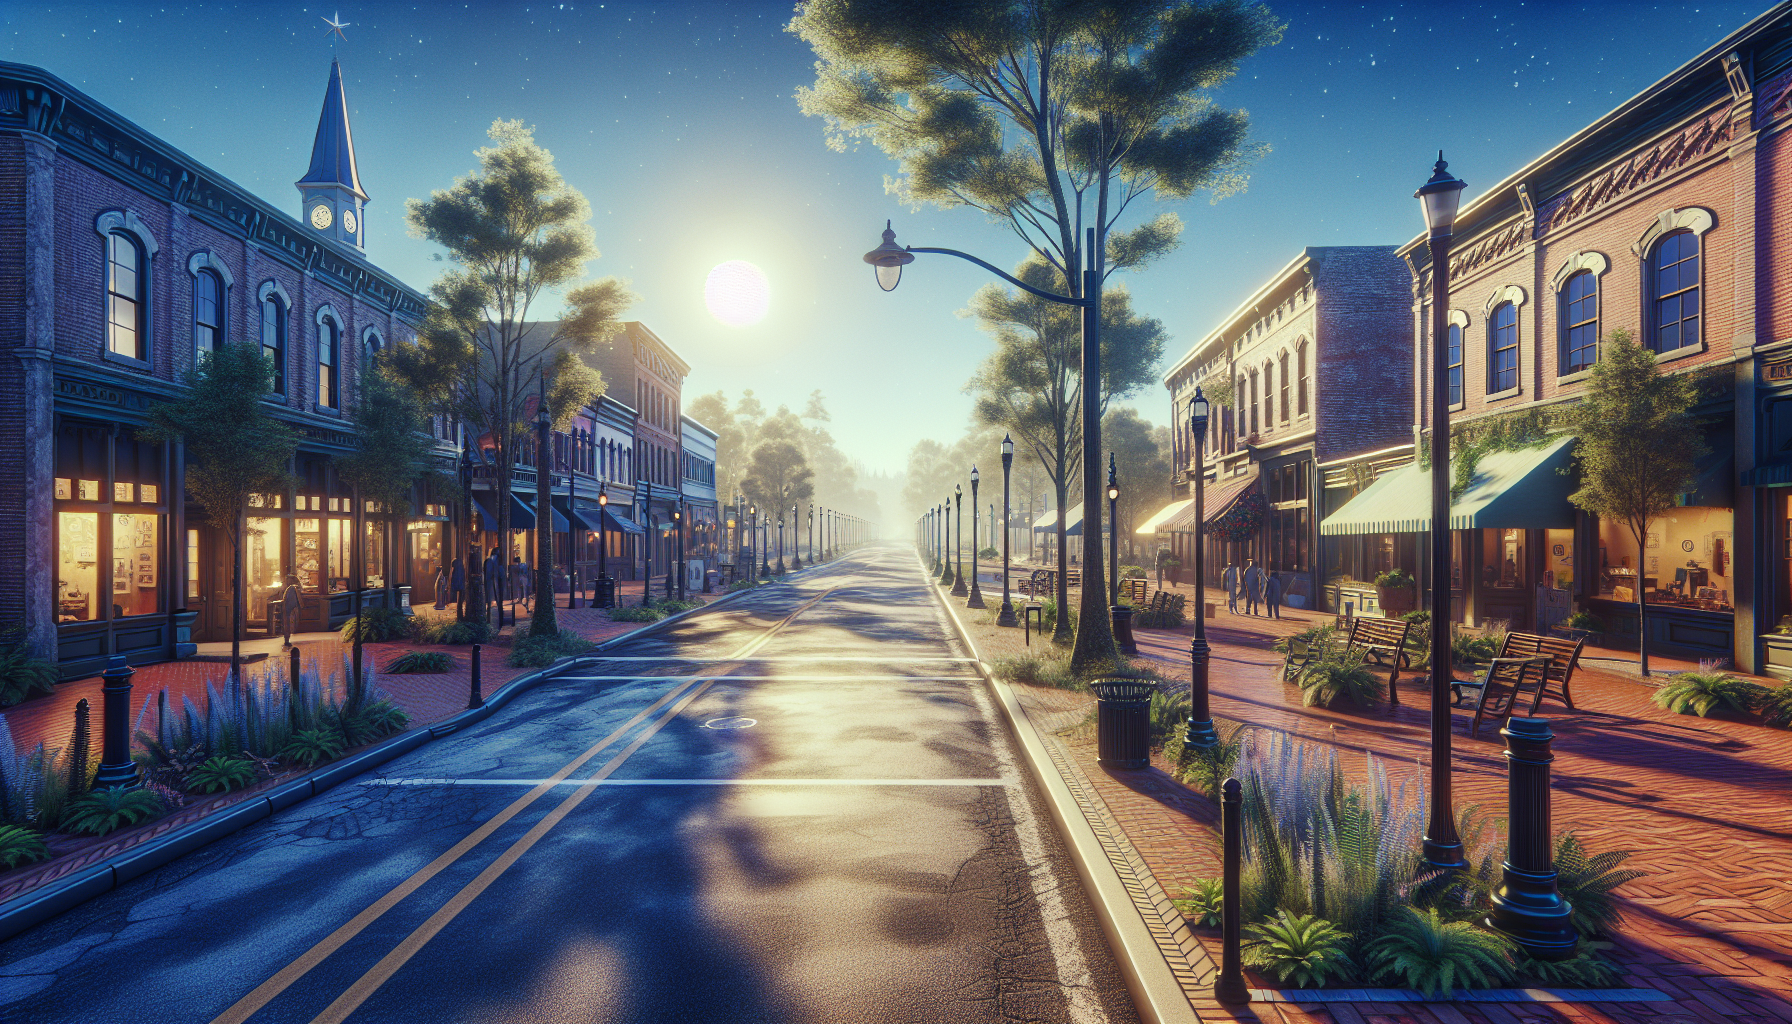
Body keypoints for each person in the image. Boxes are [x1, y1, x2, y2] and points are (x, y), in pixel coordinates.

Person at [280, 573, 301, 648]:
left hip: (288, 610)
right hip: (289, 610)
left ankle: (286, 640)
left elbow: (289, 602)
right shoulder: (292, 588)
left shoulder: (290, 589)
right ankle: (286, 640)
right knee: (287, 624)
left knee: (287, 624)